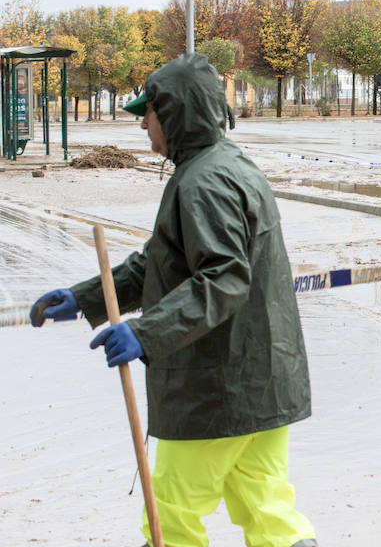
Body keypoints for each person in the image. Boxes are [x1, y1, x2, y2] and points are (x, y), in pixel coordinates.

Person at [29, 53, 317, 547]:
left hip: (216, 391)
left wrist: (145, 333)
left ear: (177, 112)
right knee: (270, 513)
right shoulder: (228, 166)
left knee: (171, 517)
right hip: (263, 382)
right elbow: (157, 265)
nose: (143, 124)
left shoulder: (203, 182)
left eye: (150, 112)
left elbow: (223, 278)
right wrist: (84, 298)